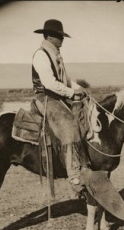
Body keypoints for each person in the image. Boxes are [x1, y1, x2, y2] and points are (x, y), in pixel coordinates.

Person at [32, 19, 89, 194]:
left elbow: (64, 79)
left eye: (62, 36)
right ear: (49, 36)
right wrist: (72, 94)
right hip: (46, 98)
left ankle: (84, 162)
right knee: (70, 125)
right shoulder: (42, 54)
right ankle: (74, 176)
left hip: (58, 98)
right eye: (58, 36)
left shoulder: (55, 54)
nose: (62, 40)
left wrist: (79, 89)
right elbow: (49, 83)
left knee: (85, 115)